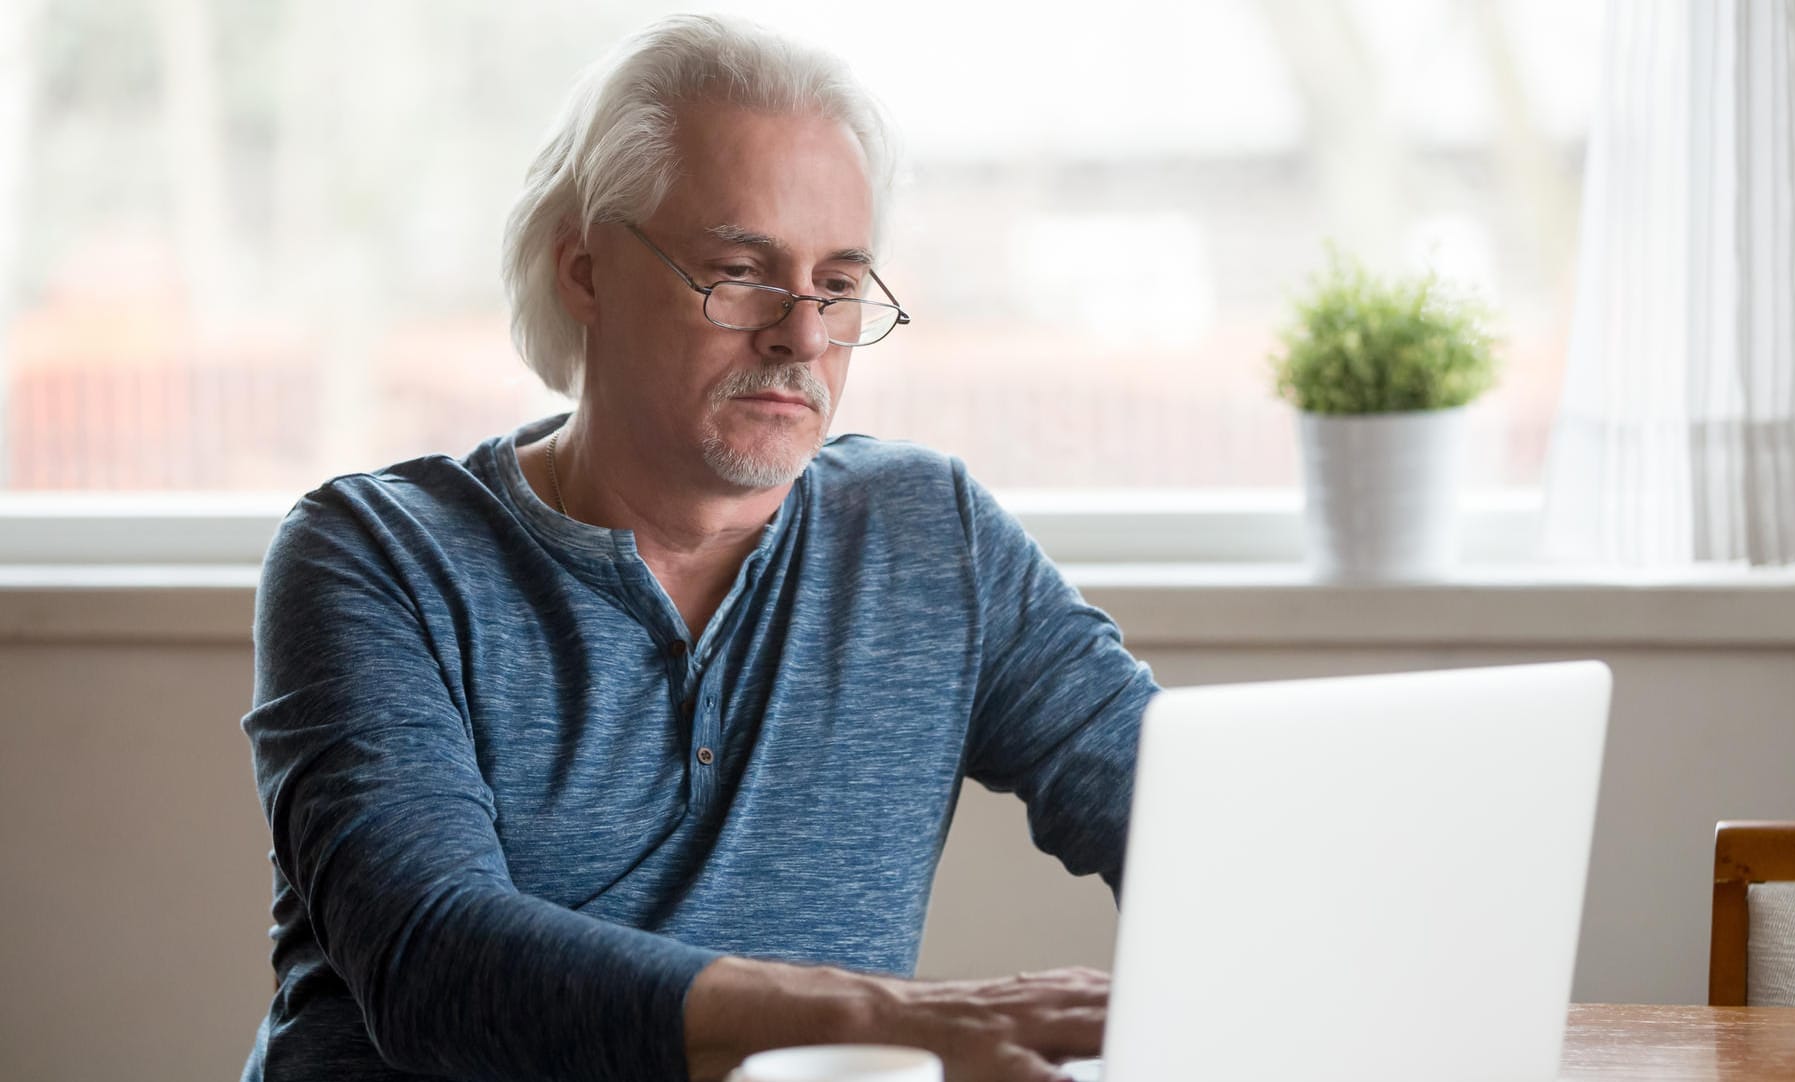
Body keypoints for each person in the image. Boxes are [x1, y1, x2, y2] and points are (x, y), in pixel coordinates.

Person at [241, 15, 1156, 1082]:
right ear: (584, 270)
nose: (802, 335)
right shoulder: (376, 556)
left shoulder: (927, 538)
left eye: (841, 283)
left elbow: (1187, 818)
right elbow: (434, 958)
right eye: (741, 270)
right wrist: (896, 1021)